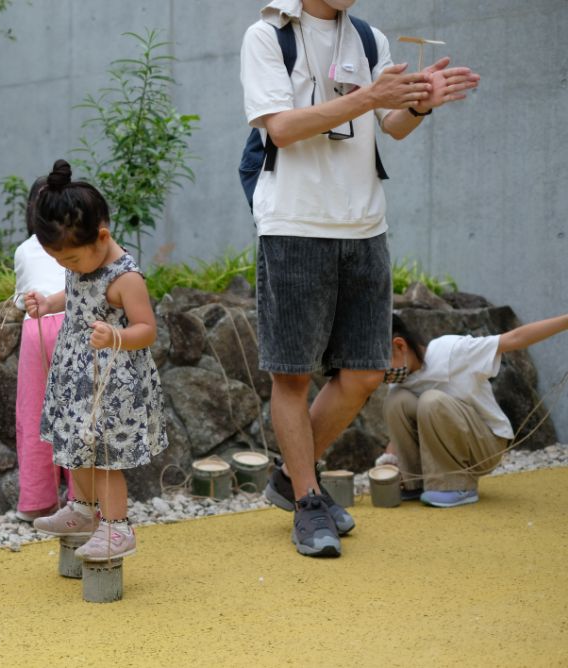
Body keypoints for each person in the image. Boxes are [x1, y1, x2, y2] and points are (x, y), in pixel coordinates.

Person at [240, 0, 480, 556]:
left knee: (368, 369)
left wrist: (420, 104)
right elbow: (279, 129)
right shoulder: (266, 36)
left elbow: (389, 127)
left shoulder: (369, 39)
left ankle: (289, 480)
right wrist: (370, 96)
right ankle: (307, 499)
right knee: (293, 374)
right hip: (295, 222)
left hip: (366, 224)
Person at [23, 159, 168, 561]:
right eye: (58, 262)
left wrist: (116, 336)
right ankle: (83, 510)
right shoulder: (84, 261)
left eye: (69, 261)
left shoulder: (125, 278)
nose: (65, 267)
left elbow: (147, 329)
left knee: (103, 455)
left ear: (102, 236)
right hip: (77, 375)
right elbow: (75, 297)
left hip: (111, 381)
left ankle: (117, 527)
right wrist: (48, 302)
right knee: (76, 446)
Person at [383, 312, 568, 507]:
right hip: (445, 441)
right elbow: (400, 423)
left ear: (400, 346)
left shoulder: (451, 350)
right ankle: (416, 483)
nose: (380, 375)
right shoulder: (399, 381)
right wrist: (389, 462)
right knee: (396, 401)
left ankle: (457, 486)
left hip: (484, 444)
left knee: (431, 401)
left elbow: (515, 338)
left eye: (381, 365)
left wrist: (565, 321)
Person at [13, 176, 72, 522]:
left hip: (37, 328)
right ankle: (85, 501)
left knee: (35, 415)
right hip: (77, 325)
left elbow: (23, 300)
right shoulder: (83, 241)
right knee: (79, 417)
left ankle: (37, 502)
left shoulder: (25, 249)